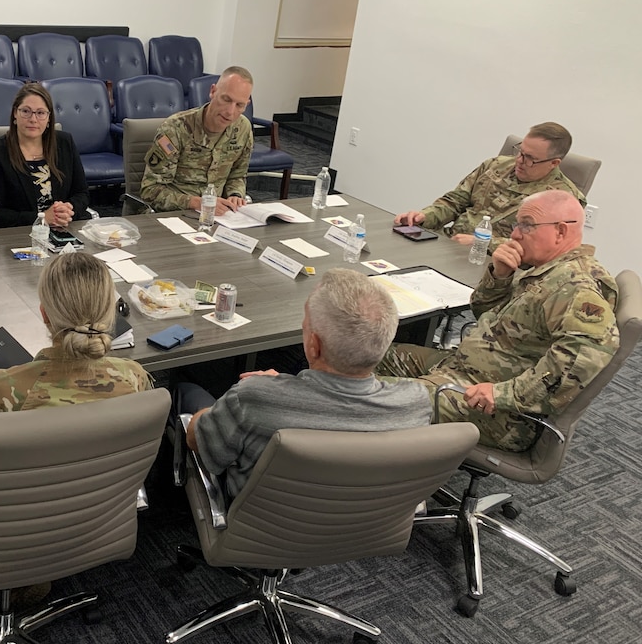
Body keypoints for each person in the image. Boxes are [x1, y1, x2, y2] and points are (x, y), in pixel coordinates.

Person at [0, 251, 152, 625]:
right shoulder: (135, 378)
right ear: (113, 313)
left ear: (43, 314)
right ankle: (34, 573)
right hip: (87, 519)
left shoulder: (1, 387)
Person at [379, 190, 619, 451]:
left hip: (497, 411)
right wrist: (500, 275)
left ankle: (359, 471)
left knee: (373, 398)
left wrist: (502, 394)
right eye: (517, 224)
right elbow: (485, 314)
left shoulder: (576, 285)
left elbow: (579, 362)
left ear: (560, 231)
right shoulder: (542, 269)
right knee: (366, 355)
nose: (515, 234)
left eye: (526, 226)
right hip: (462, 367)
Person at [181, 269, 431, 500]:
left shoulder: (253, 398)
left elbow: (198, 442)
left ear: (314, 345)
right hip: (366, 528)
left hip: (260, 525)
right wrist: (284, 388)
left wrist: (273, 390)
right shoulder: (416, 404)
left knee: (187, 390)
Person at [394, 122, 586, 249]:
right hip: (449, 244)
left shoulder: (563, 199)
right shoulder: (495, 165)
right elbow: (455, 201)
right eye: (521, 151)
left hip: (495, 266)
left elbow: (540, 248)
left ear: (554, 163)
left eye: (530, 159)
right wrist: (424, 217)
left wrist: (482, 244)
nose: (519, 160)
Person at [139, 65, 255, 215]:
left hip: (218, 215)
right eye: (226, 99)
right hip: (175, 213)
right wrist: (195, 203)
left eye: (239, 105)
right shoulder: (175, 129)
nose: (230, 112)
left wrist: (235, 195)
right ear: (213, 91)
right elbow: (150, 191)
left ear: (246, 105)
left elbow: (237, 175)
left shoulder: (243, 129)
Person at [0, 83, 89, 229]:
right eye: (26, 111)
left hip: (64, 229)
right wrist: (42, 218)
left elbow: (82, 193)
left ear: (49, 118)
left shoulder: (65, 143)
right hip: (19, 235)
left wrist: (68, 209)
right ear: (15, 114)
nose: (33, 119)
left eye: (41, 113)